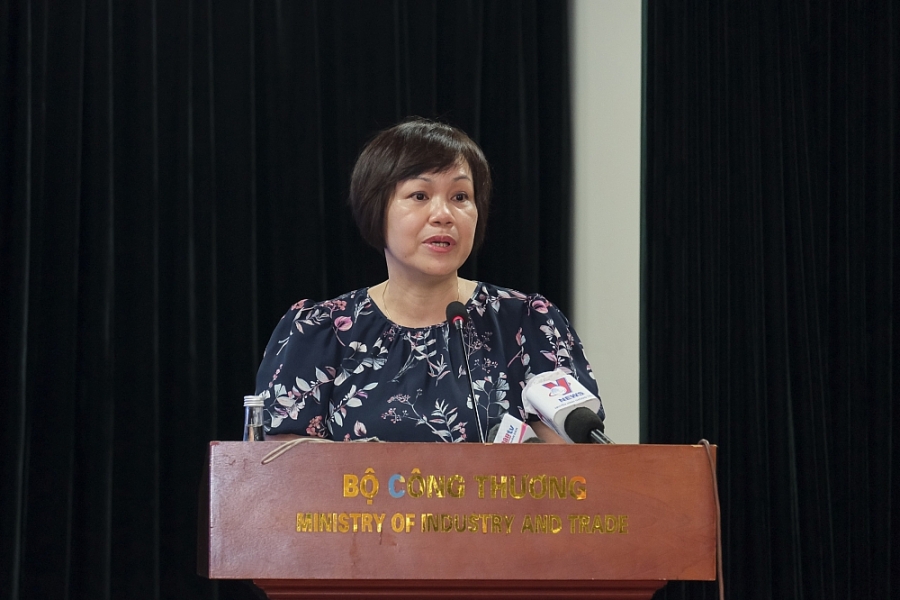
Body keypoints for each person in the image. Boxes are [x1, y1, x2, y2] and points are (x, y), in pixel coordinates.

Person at [255, 117, 603, 443]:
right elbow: (281, 472)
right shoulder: (321, 332)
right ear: (376, 207)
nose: (443, 215)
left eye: (460, 197)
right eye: (419, 196)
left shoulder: (527, 324)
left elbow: (572, 472)